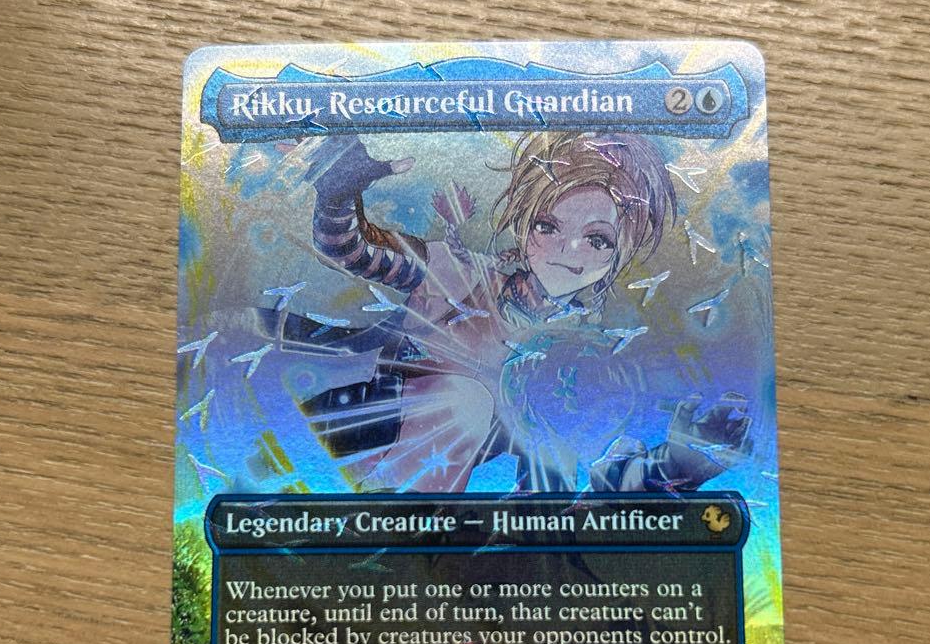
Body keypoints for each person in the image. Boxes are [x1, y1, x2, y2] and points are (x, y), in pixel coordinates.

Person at [278, 130, 746, 492]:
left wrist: (678, 465)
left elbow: (553, 504)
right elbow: (353, 250)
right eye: (548, 227)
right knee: (466, 400)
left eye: (597, 239)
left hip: (410, 519)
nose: (567, 250)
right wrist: (337, 194)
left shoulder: (577, 357)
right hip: (335, 442)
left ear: (618, 255)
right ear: (524, 227)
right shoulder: (458, 274)